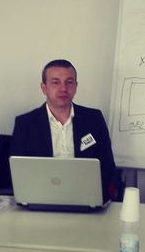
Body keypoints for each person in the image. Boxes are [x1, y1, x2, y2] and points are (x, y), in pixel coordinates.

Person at [11, 59, 117, 201]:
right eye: (56, 82)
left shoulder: (94, 119)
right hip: (40, 197)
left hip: (85, 197)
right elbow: (18, 172)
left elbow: (107, 166)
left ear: (76, 87)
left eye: (69, 82)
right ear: (44, 88)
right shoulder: (25, 124)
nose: (63, 88)